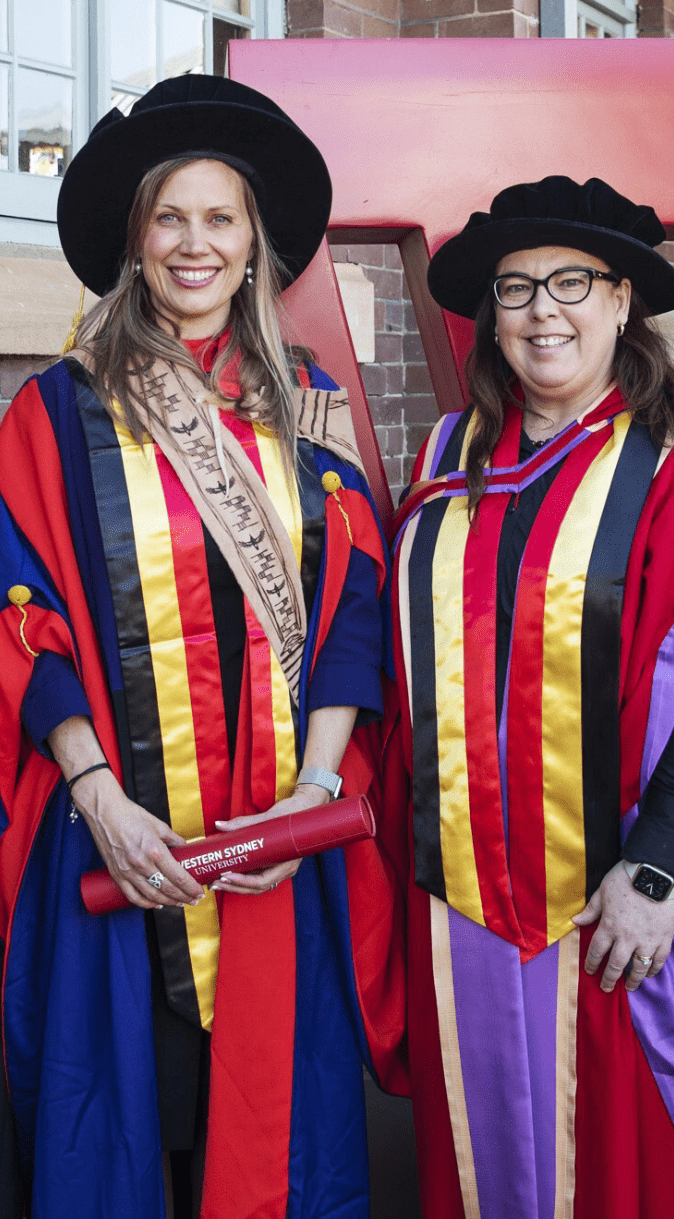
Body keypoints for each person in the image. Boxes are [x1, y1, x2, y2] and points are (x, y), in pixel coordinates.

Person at [0, 75, 404, 1218]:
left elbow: (352, 610)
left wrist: (315, 792)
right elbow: (16, 610)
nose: (194, 242)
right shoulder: (58, 411)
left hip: (273, 836)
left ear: (252, 243)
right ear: (135, 238)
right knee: (125, 1119)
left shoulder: (305, 412)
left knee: (271, 1133)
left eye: (219, 218)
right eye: (169, 216)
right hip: (121, 838)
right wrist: (98, 798)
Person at [386, 176, 674, 1217]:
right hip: (459, 900)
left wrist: (658, 868)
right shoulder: (448, 459)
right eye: (515, 287)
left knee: (618, 1162)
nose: (541, 311)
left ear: (624, 301)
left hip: (611, 902)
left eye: (570, 282)